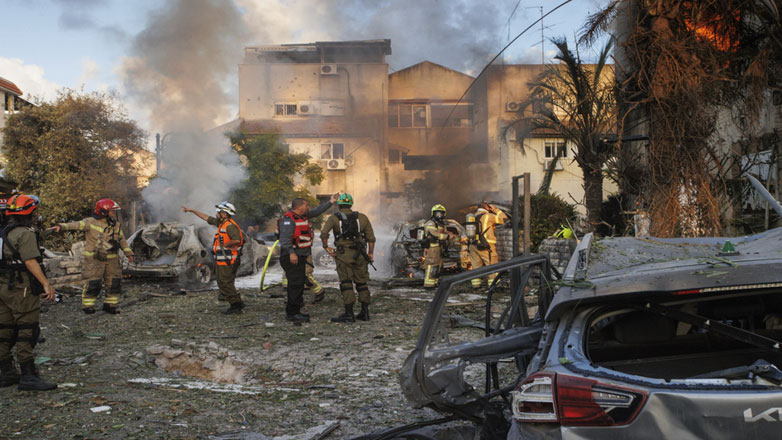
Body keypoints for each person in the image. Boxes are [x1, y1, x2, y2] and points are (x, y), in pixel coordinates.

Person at [0, 194, 57, 391]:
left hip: (3, 287)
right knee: (27, 329)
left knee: (5, 329)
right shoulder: (24, 234)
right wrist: (46, 284)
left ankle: (6, 372)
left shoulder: (3, 232)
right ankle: (28, 376)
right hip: (22, 288)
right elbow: (31, 261)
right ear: (30, 212)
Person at [48, 199, 134, 315]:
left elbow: (122, 240)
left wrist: (129, 254)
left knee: (114, 283)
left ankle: (110, 305)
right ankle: (88, 306)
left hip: (112, 259)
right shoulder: (91, 222)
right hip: (94, 260)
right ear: (103, 211)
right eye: (112, 211)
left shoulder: (116, 225)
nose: (114, 213)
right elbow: (76, 225)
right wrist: (61, 226)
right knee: (94, 283)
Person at [278, 194, 338, 324]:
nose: (308, 207)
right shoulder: (288, 220)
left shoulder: (302, 216)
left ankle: (297, 309)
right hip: (293, 257)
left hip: (301, 256)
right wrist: (291, 253)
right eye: (306, 205)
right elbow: (284, 239)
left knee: (299, 284)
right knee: (294, 285)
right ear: (299, 207)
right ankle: (292, 313)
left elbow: (317, 211)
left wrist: (330, 202)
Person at [321, 193, 376, 323]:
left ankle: (349, 314)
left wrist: (326, 247)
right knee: (362, 282)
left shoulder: (334, 218)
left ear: (339, 205)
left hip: (343, 255)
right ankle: (365, 312)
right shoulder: (362, 217)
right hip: (361, 254)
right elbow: (371, 238)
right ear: (351, 204)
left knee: (346, 283)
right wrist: (370, 253)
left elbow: (324, 234)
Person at [182, 202, 245, 314]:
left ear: (225, 214)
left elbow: (237, 240)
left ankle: (236, 305)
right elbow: (206, 217)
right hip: (223, 259)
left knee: (225, 283)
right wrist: (192, 210)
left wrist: (225, 245)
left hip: (228, 259)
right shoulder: (221, 224)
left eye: (219, 212)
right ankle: (237, 303)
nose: (216, 214)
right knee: (222, 282)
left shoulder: (230, 226)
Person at [468, 201, 508, 289]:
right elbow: (504, 219)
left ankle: (476, 285)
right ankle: (494, 285)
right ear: (487, 207)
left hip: (473, 245)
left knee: (475, 266)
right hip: (486, 245)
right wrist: (495, 209)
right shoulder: (488, 216)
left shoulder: (472, 217)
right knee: (492, 264)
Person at [422, 204, 452, 289]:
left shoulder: (441, 224)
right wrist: (447, 236)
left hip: (439, 248)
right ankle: (428, 284)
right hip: (432, 248)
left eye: (441, 213)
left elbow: (445, 233)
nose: (439, 215)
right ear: (433, 214)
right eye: (437, 213)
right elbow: (434, 234)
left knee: (438, 266)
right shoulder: (430, 223)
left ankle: (434, 282)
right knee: (431, 265)